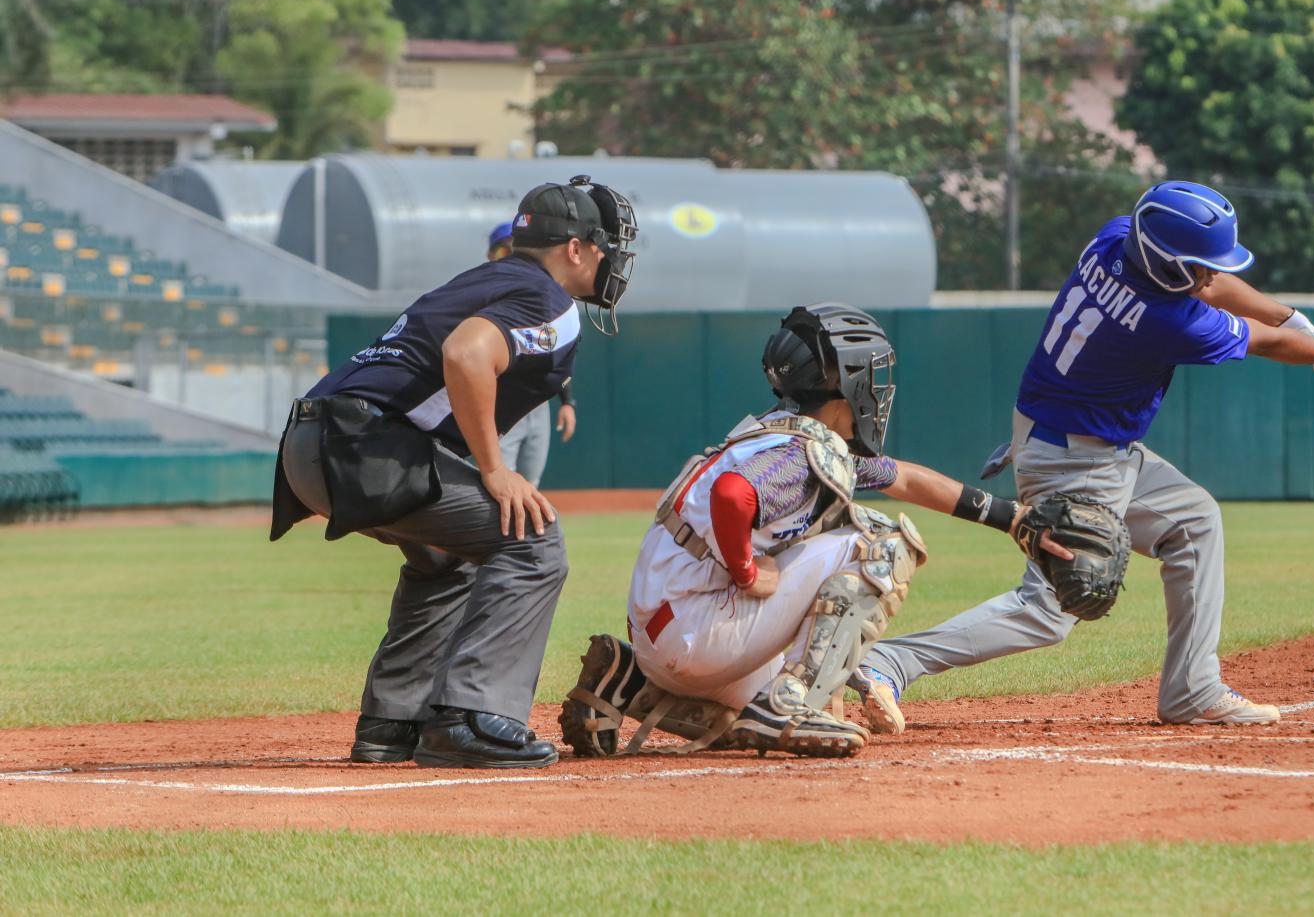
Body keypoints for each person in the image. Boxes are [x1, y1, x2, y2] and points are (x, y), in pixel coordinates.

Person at [852, 181, 1314, 733]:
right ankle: (888, 661)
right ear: (1166, 263)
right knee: (1049, 610)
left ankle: (1192, 689)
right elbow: (1264, 342)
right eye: (1198, 264)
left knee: (1194, 522)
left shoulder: (1116, 238)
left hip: (1078, 441)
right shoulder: (1169, 322)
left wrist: (1288, 315)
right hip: (1077, 462)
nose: (1210, 274)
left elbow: (1216, 289)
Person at [558, 303, 1072, 759]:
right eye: (870, 378)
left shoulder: (783, 435)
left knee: (743, 722)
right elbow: (731, 495)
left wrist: (1010, 517)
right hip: (698, 631)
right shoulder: (800, 455)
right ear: (843, 387)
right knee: (878, 544)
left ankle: (624, 682)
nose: (877, 389)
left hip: (665, 633)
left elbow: (906, 478)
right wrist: (744, 572)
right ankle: (792, 701)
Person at [271, 175, 638, 768]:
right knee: (534, 539)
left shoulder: (488, 278)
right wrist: (495, 470)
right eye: (604, 247)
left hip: (312, 443)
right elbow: (466, 354)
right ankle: (472, 716)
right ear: (575, 249)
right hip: (366, 448)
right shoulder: (550, 300)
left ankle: (393, 723)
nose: (612, 260)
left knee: (447, 559)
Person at [486, 222, 578, 485]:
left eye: (514, 250)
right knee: (501, 482)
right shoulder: (486, 294)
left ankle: (523, 529)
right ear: (490, 257)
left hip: (537, 404)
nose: (510, 257)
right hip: (502, 401)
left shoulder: (543, 298)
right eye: (503, 251)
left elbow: (558, 355)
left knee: (530, 484)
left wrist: (567, 402)